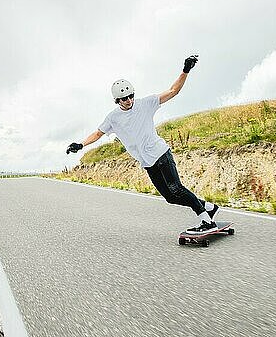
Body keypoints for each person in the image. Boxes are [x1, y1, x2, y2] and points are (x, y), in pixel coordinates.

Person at [66, 55, 220, 234]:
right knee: (170, 197)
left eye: (131, 96)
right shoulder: (113, 118)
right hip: (148, 162)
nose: (129, 100)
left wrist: (185, 70)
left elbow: (172, 91)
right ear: (117, 101)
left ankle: (206, 221)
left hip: (161, 153)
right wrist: (81, 144)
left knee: (177, 188)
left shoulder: (146, 103)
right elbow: (98, 133)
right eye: (124, 98)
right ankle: (209, 207)